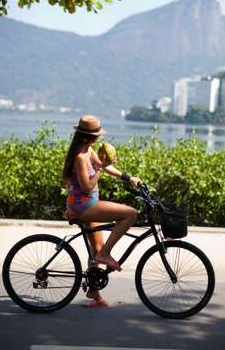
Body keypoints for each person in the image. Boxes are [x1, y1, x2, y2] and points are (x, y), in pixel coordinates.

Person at [62, 115, 141, 307]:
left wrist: (128, 177)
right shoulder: (80, 157)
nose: (99, 137)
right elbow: (88, 186)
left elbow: (105, 167)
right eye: (97, 133)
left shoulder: (88, 150)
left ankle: (94, 293)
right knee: (130, 214)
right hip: (84, 207)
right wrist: (101, 169)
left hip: (88, 205)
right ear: (92, 136)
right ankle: (106, 254)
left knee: (96, 249)